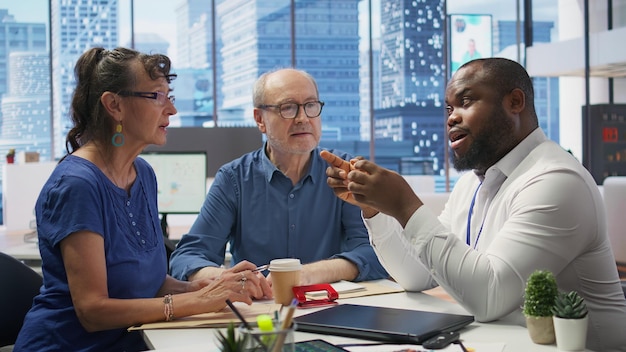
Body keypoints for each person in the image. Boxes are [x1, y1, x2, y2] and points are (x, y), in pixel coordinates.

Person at [322, 58, 626, 351]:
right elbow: (417, 275)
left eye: (466, 102)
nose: (451, 117)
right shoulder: (474, 182)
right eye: (448, 108)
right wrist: (375, 208)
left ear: (515, 102)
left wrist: (404, 203)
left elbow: (489, 298)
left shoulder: (556, 179)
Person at [14, 47, 263, 352]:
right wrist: (194, 301)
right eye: (158, 96)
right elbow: (93, 311)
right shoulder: (77, 186)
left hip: (134, 341)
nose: (171, 110)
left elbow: (148, 283)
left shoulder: (142, 173)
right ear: (114, 105)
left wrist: (203, 287)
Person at [169, 68, 388, 291]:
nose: (303, 118)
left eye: (311, 105)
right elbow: (187, 258)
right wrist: (228, 279)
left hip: (330, 307)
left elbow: (376, 252)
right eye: (288, 108)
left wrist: (309, 274)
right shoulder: (233, 179)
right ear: (259, 119)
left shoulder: (342, 171)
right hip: (256, 309)